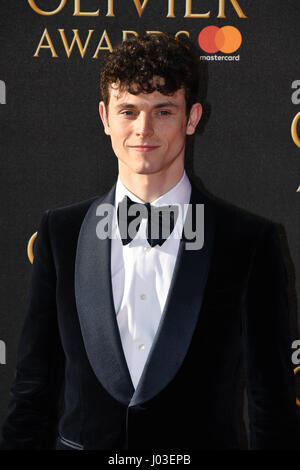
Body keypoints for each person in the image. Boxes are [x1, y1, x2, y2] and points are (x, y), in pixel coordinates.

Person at [1, 33, 299, 451]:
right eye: (129, 111)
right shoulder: (61, 233)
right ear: (105, 117)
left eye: (163, 111)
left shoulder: (249, 241)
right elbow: (33, 387)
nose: (143, 129)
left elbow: (273, 403)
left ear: (192, 118)